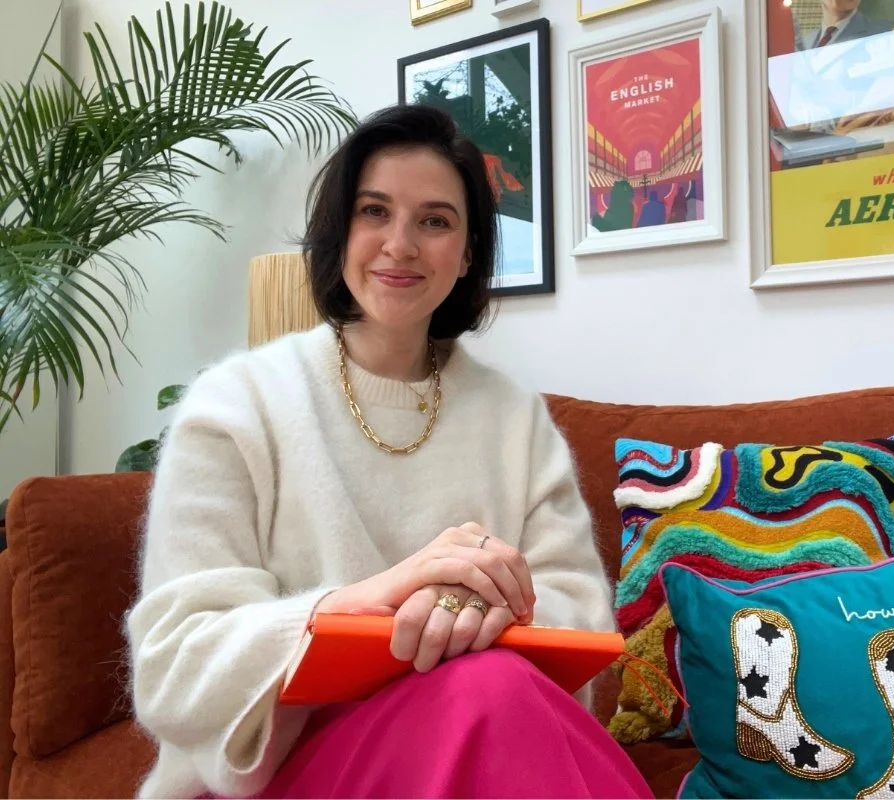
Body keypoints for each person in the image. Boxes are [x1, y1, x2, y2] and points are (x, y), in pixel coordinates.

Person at [123, 104, 654, 800]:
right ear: (339, 230)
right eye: (374, 211)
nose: (400, 244)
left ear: (466, 254)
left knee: (489, 690)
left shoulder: (514, 419)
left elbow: (581, 621)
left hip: (482, 737)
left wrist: (483, 610)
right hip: (284, 771)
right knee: (491, 692)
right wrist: (363, 605)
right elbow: (173, 665)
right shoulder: (235, 405)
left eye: (435, 221)